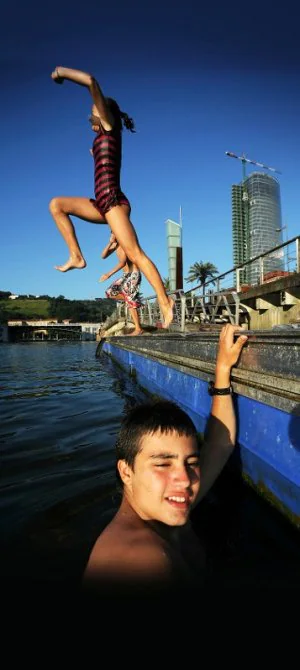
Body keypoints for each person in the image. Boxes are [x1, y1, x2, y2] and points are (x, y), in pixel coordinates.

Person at [83, 324, 248, 598]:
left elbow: (220, 445)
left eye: (191, 462)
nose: (185, 479)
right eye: (162, 464)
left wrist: (222, 370)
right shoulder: (138, 560)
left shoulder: (167, 505)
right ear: (126, 471)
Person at [49, 66, 174, 328]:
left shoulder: (109, 127)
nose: (90, 115)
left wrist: (61, 72)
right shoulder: (101, 138)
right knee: (57, 205)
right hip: (100, 203)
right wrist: (96, 155)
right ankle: (76, 257)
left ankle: (164, 300)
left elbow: (91, 82)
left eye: (94, 111)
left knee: (135, 253)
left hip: (114, 201)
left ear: (105, 115)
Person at [100, 231, 144, 336]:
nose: (112, 236)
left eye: (113, 234)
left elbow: (122, 262)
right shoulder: (115, 245)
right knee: (109, 292)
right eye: (111, 234)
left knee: (129, 299)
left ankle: (138, 329)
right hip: (125, 275)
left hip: (134, 274)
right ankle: (133, 301)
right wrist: (110, 243)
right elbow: (103, 256)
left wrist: (108, 274)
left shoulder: (124, 244)